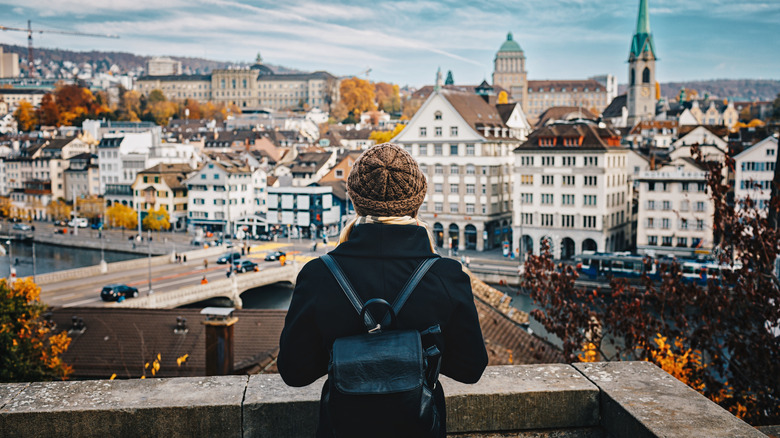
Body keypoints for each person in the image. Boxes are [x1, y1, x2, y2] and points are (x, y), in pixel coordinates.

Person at [278, 143, 488, 438]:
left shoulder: (318, 275)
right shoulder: (446, 275)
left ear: (355, 202)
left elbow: (294, 372)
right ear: (417, 203)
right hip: (418, 427)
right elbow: (471, 369)